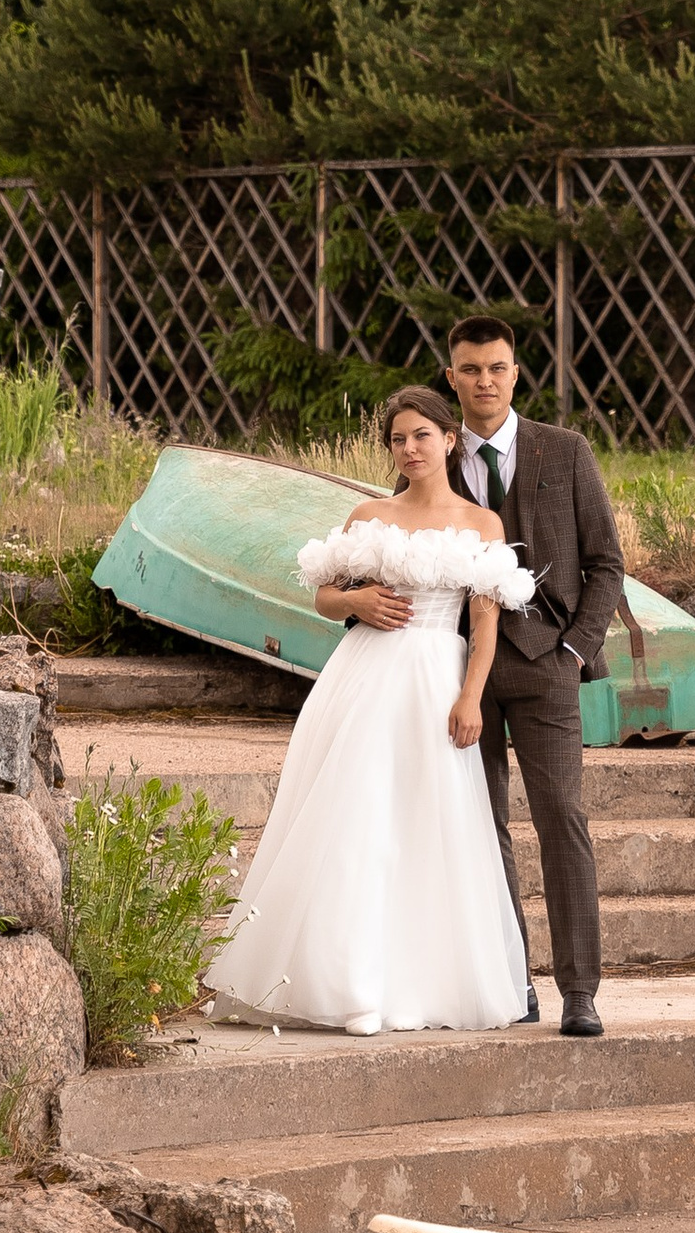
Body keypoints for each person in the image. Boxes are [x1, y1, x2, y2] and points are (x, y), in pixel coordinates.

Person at [200, 384, 536, 1037]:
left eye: (421, 436)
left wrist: (472, 695)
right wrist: (356, 605)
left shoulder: (481, 524)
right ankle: (347, 988)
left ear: (449, 439)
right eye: (397, 438)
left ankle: (413, 986)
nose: (409, 449)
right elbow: (324, 595)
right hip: (365, 680)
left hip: (437, 680)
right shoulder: (369, 514)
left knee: (422, 825)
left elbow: (485, 620)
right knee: (356, 822)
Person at [441, 314, 627, 1038]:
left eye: (496, 368)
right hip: (461, 676)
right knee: (484, 831)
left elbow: (606, 562)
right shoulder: (433, 454)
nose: (484, 381)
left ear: (516, 373)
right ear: (450, 377)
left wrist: (576, 650)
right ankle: (512, 982)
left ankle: (580, 991)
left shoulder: (567, 451)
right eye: (469, 369)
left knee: (563, 824)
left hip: (548, 664)